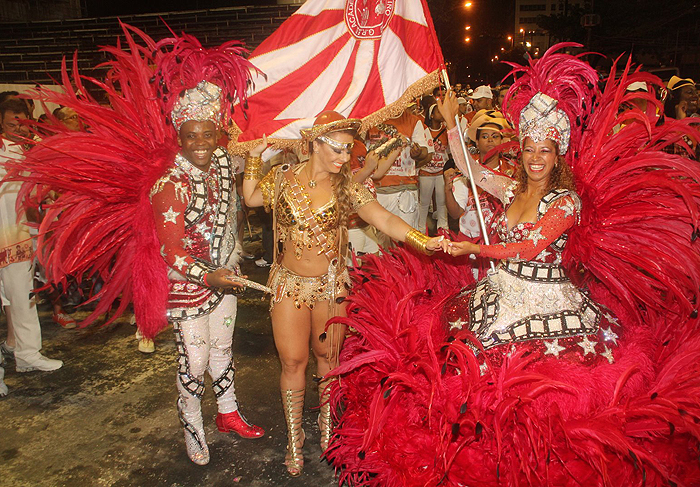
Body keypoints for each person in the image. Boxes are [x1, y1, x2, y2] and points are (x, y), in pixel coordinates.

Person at [325, 45, 700, 486]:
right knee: (465, 370)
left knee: (535, 388)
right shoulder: (510, 190)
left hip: (546, 298)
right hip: (499, 291)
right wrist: (450, 124)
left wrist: (472, 252)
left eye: (545, 150)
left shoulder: (566, 202)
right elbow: (470, 169)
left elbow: (530, 248)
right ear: (519, 151)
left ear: (557, 154)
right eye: (528, 150)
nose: (536, 158)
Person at [3, 26, 264, 466]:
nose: (201, 144)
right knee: (195, 360)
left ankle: (227, 412)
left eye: (208, 134)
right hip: (188, 283)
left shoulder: (222, 160)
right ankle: (192, 425)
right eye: (192, 136)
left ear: (218, 134)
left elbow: (239, 199)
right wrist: (209, 274)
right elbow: (171, 252)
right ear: (178, 138)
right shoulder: (169, 184)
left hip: (225, 275)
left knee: (223, 348)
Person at [242, 110, 444, 477]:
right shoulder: (284, 178)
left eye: (349, 151)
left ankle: (326, 427)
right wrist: (254, 156)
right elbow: (252, 198)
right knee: (292, 362)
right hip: (288, 284)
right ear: (315, 142)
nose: (345, 158)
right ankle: (293, 436)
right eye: (338, 149)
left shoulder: (348, 185)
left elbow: (382, 218)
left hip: (331, 285)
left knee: (328, 359)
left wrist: (422, 239)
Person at [0, 98, 63, 375]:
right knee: (10, 295)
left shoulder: (32, 147)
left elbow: (43, 188)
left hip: (17, 233)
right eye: (13, 122)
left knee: (22, 293)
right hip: (9, 230)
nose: (19, 128)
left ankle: (26, 353)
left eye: (23, 122)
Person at [419, 104, 449, 232]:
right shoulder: (424, 131)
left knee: (442, 201)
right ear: (431, 115)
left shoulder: (447, 130)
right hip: (426, 171)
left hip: (441, 171)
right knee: (424, 202)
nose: (441, 113)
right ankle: (420, 228)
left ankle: (443, 227)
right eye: (438, 111)